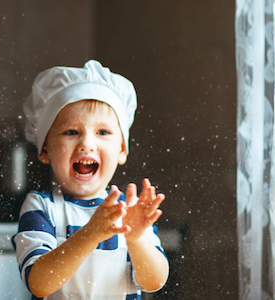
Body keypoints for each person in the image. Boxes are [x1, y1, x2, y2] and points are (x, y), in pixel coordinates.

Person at [12, 60, 169, 299]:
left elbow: (153, 282)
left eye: (103, 132)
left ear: (122, 150)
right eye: (71, 132)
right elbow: (39, 283)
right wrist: (90, 234)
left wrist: (136, 239)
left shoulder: (129, 212)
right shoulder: (42, 207)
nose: (86, 143)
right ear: (45, 150)